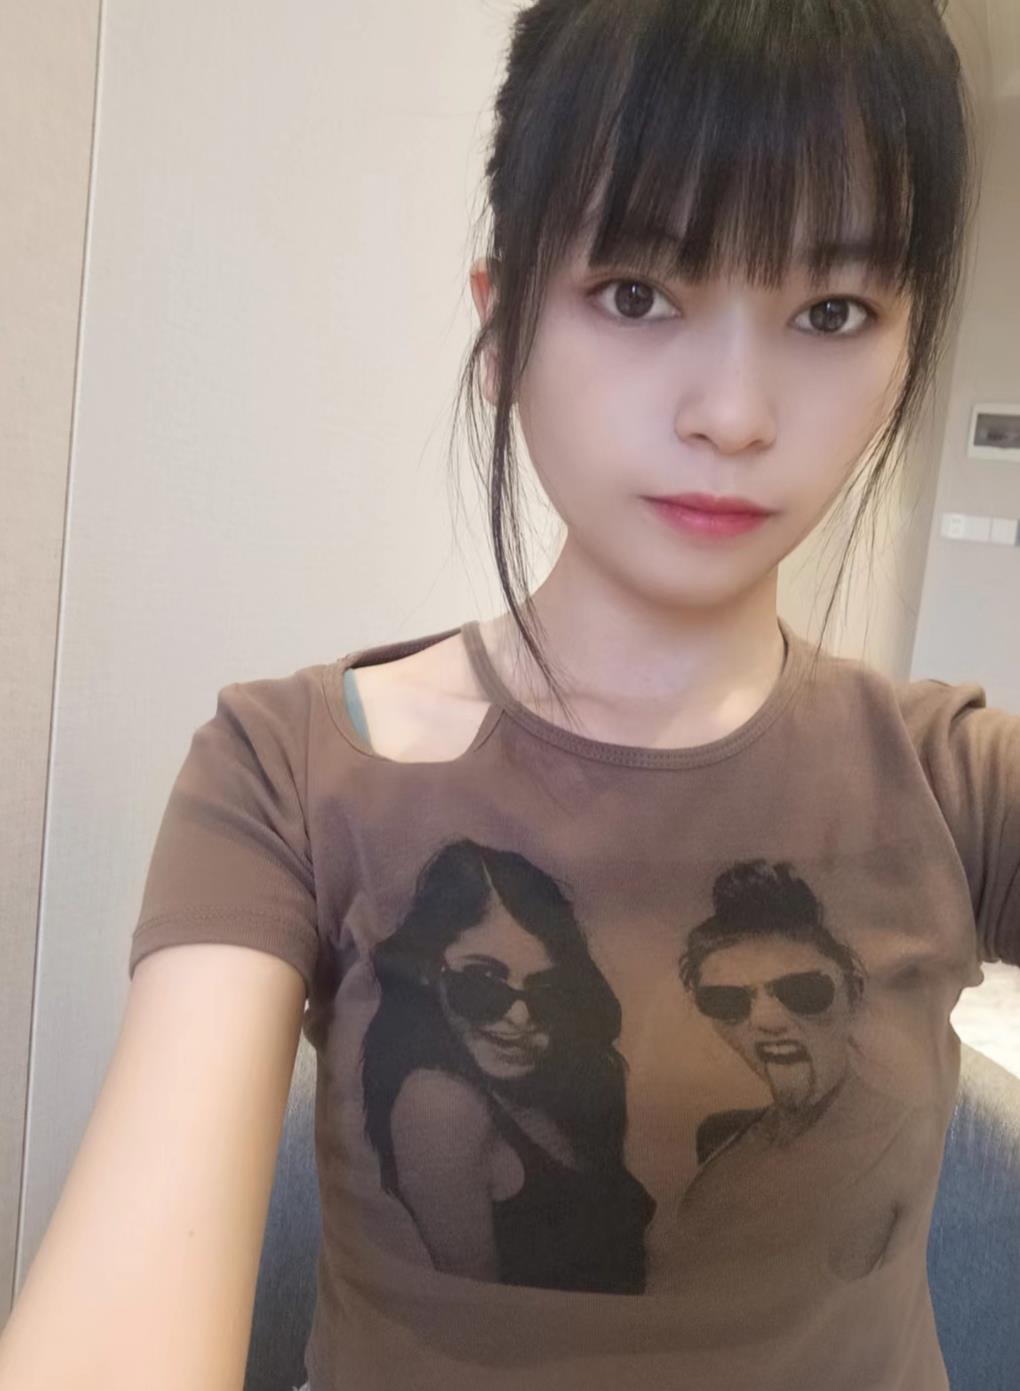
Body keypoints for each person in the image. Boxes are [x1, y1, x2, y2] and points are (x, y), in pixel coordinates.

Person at [1, 2, 1015, 1391]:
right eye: (637, 293)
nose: (733, 413)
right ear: (501, 323)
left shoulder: (957, 782)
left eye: (832, 312)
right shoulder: (288, 771)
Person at [360, 837, 655, 1293]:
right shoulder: (439, 1104)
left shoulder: (562, 1087)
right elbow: (479, 1314)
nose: (520, 1017)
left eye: (546, 990)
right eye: (482, 983)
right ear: (427, 973)